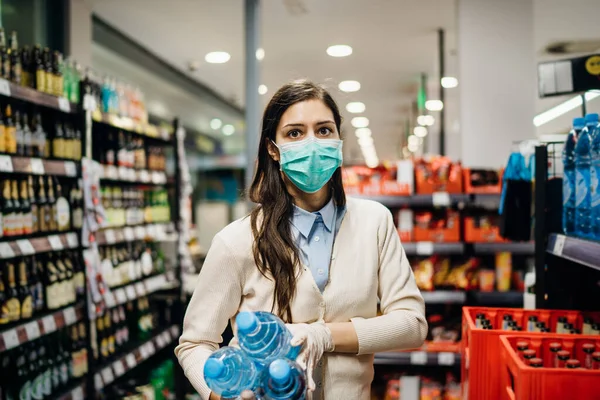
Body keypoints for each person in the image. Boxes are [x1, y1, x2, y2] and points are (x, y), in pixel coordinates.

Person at [175, 80, 427, 400]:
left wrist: (324, 335)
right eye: (295, 133)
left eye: (323, 130)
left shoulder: (374, 223)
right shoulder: (237, 241)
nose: (312, 143)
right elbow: (194, 343)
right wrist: (221, 395)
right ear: (273, 149)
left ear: (337, 139)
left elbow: (412, 324)